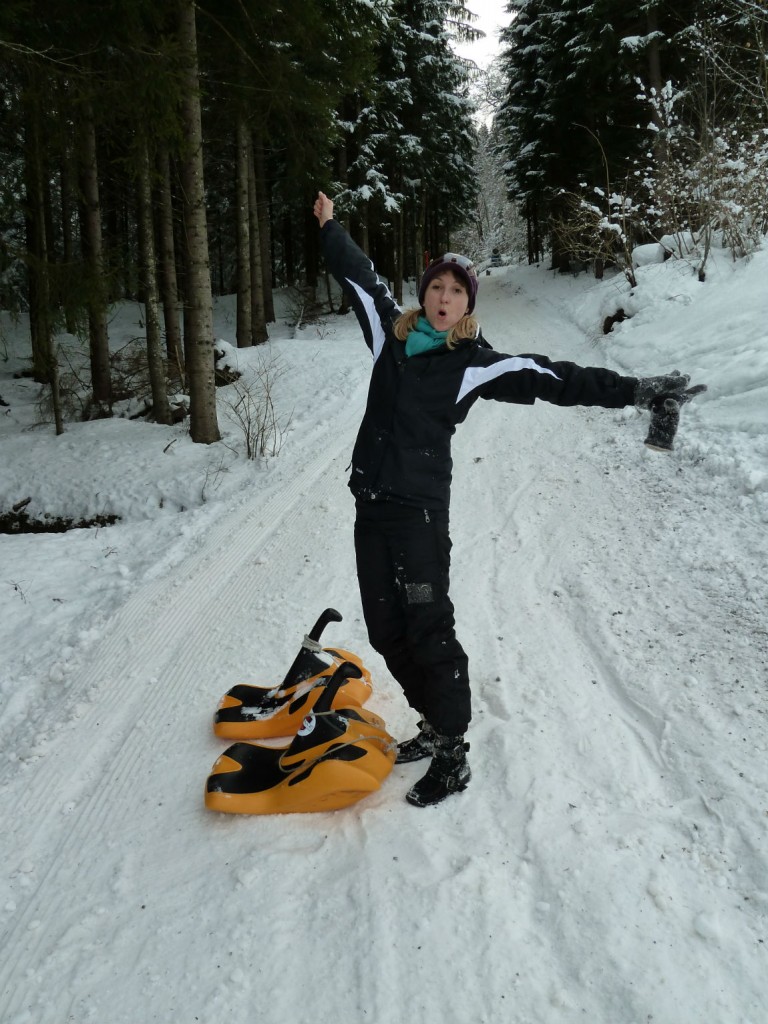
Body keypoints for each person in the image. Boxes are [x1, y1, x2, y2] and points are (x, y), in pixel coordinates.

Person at [313, 190, 701, 808]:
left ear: (468, 303)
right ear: (425, 292)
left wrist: (639, 391)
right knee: (387, 631)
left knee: (428, 628)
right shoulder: (390, 336)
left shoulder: (472, 364)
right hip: (371, 509)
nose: (444, 299)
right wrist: (331, 227)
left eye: (457, 292)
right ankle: (434, 724)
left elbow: (555, 378)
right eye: (437, 287)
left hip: (417, 516)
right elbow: (359, 276)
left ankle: (453, 752)